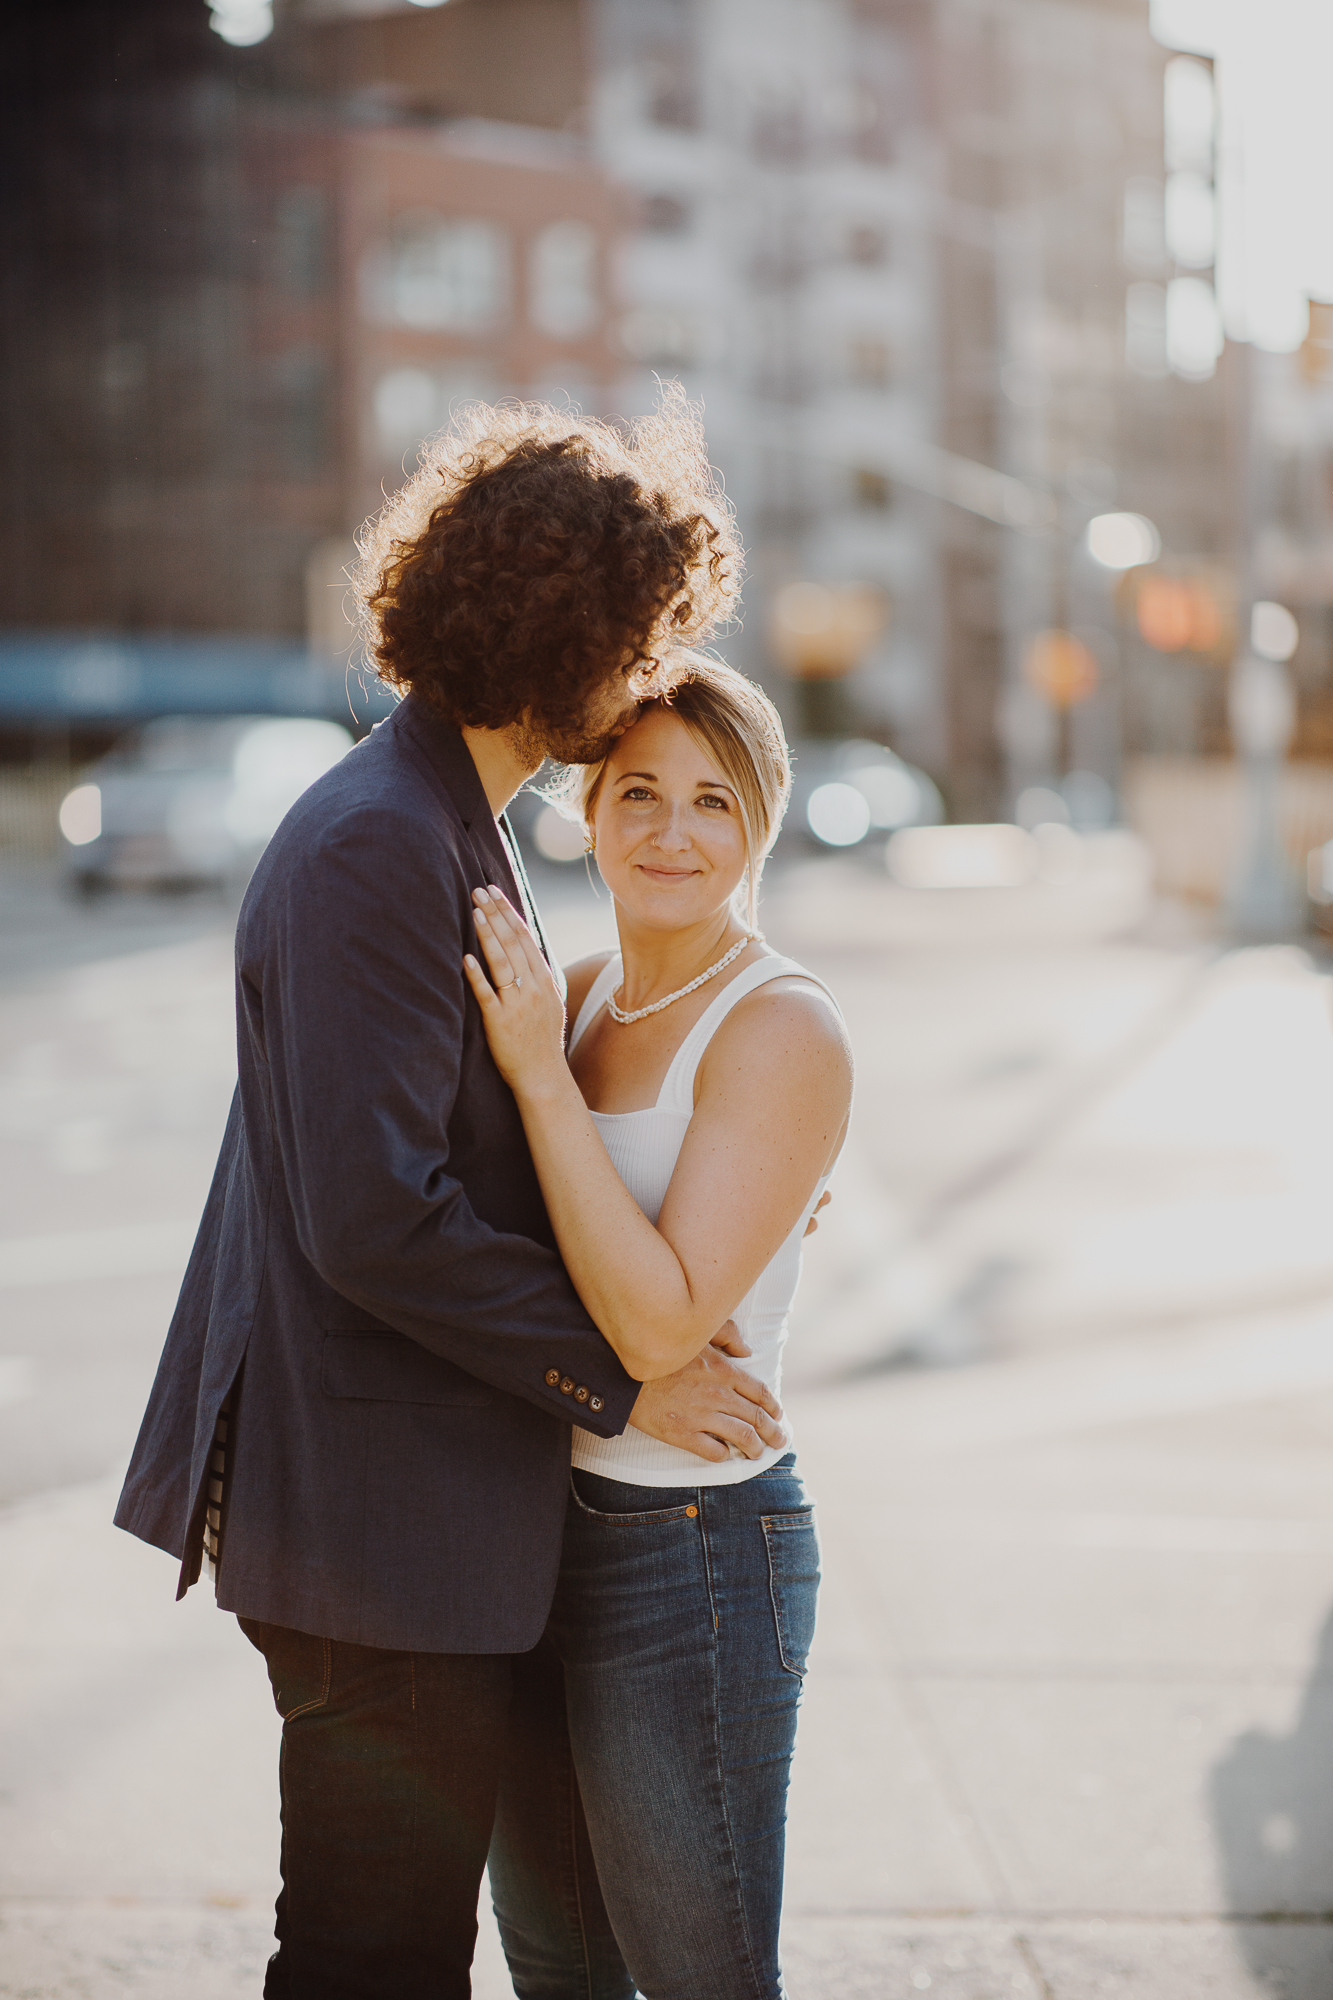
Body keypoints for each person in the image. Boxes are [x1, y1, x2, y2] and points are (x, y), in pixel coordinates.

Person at [113, 397, 791, 2000]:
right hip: (373, 1521)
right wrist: (622, 1371)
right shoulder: (377, 842)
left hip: (411, 1517)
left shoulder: (443, 822)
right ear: (570, 626)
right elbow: (378, 1218)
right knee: (371, 1958)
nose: (641, 680)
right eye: (639, 635)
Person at [462, 657, 854, 2000]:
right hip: (529, 1543)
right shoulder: (561, 998)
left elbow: (651, 1327)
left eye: (711, 801)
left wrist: (535, 1088)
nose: (670, 834)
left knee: (701, 1976)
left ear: (758, 824)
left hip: (687, 1554)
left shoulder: (779, 1027)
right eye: (638, 793)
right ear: (584, 804)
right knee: (557, 1972)